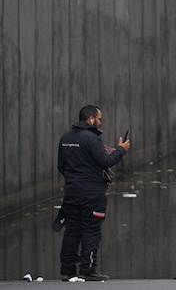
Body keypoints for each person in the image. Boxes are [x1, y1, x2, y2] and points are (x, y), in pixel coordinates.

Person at [57, 105, 130, 282]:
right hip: (92, 194)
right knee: (91, 230)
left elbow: (61, 166)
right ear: (91, 119)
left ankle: (67, 270)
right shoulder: (91, 138)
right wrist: (121, 150)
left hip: (72, 192)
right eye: (99, 119)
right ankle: (88, 270)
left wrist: (75, 179)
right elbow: (105, 161)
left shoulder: (65, 137)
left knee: (72, 229)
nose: (100, 122)